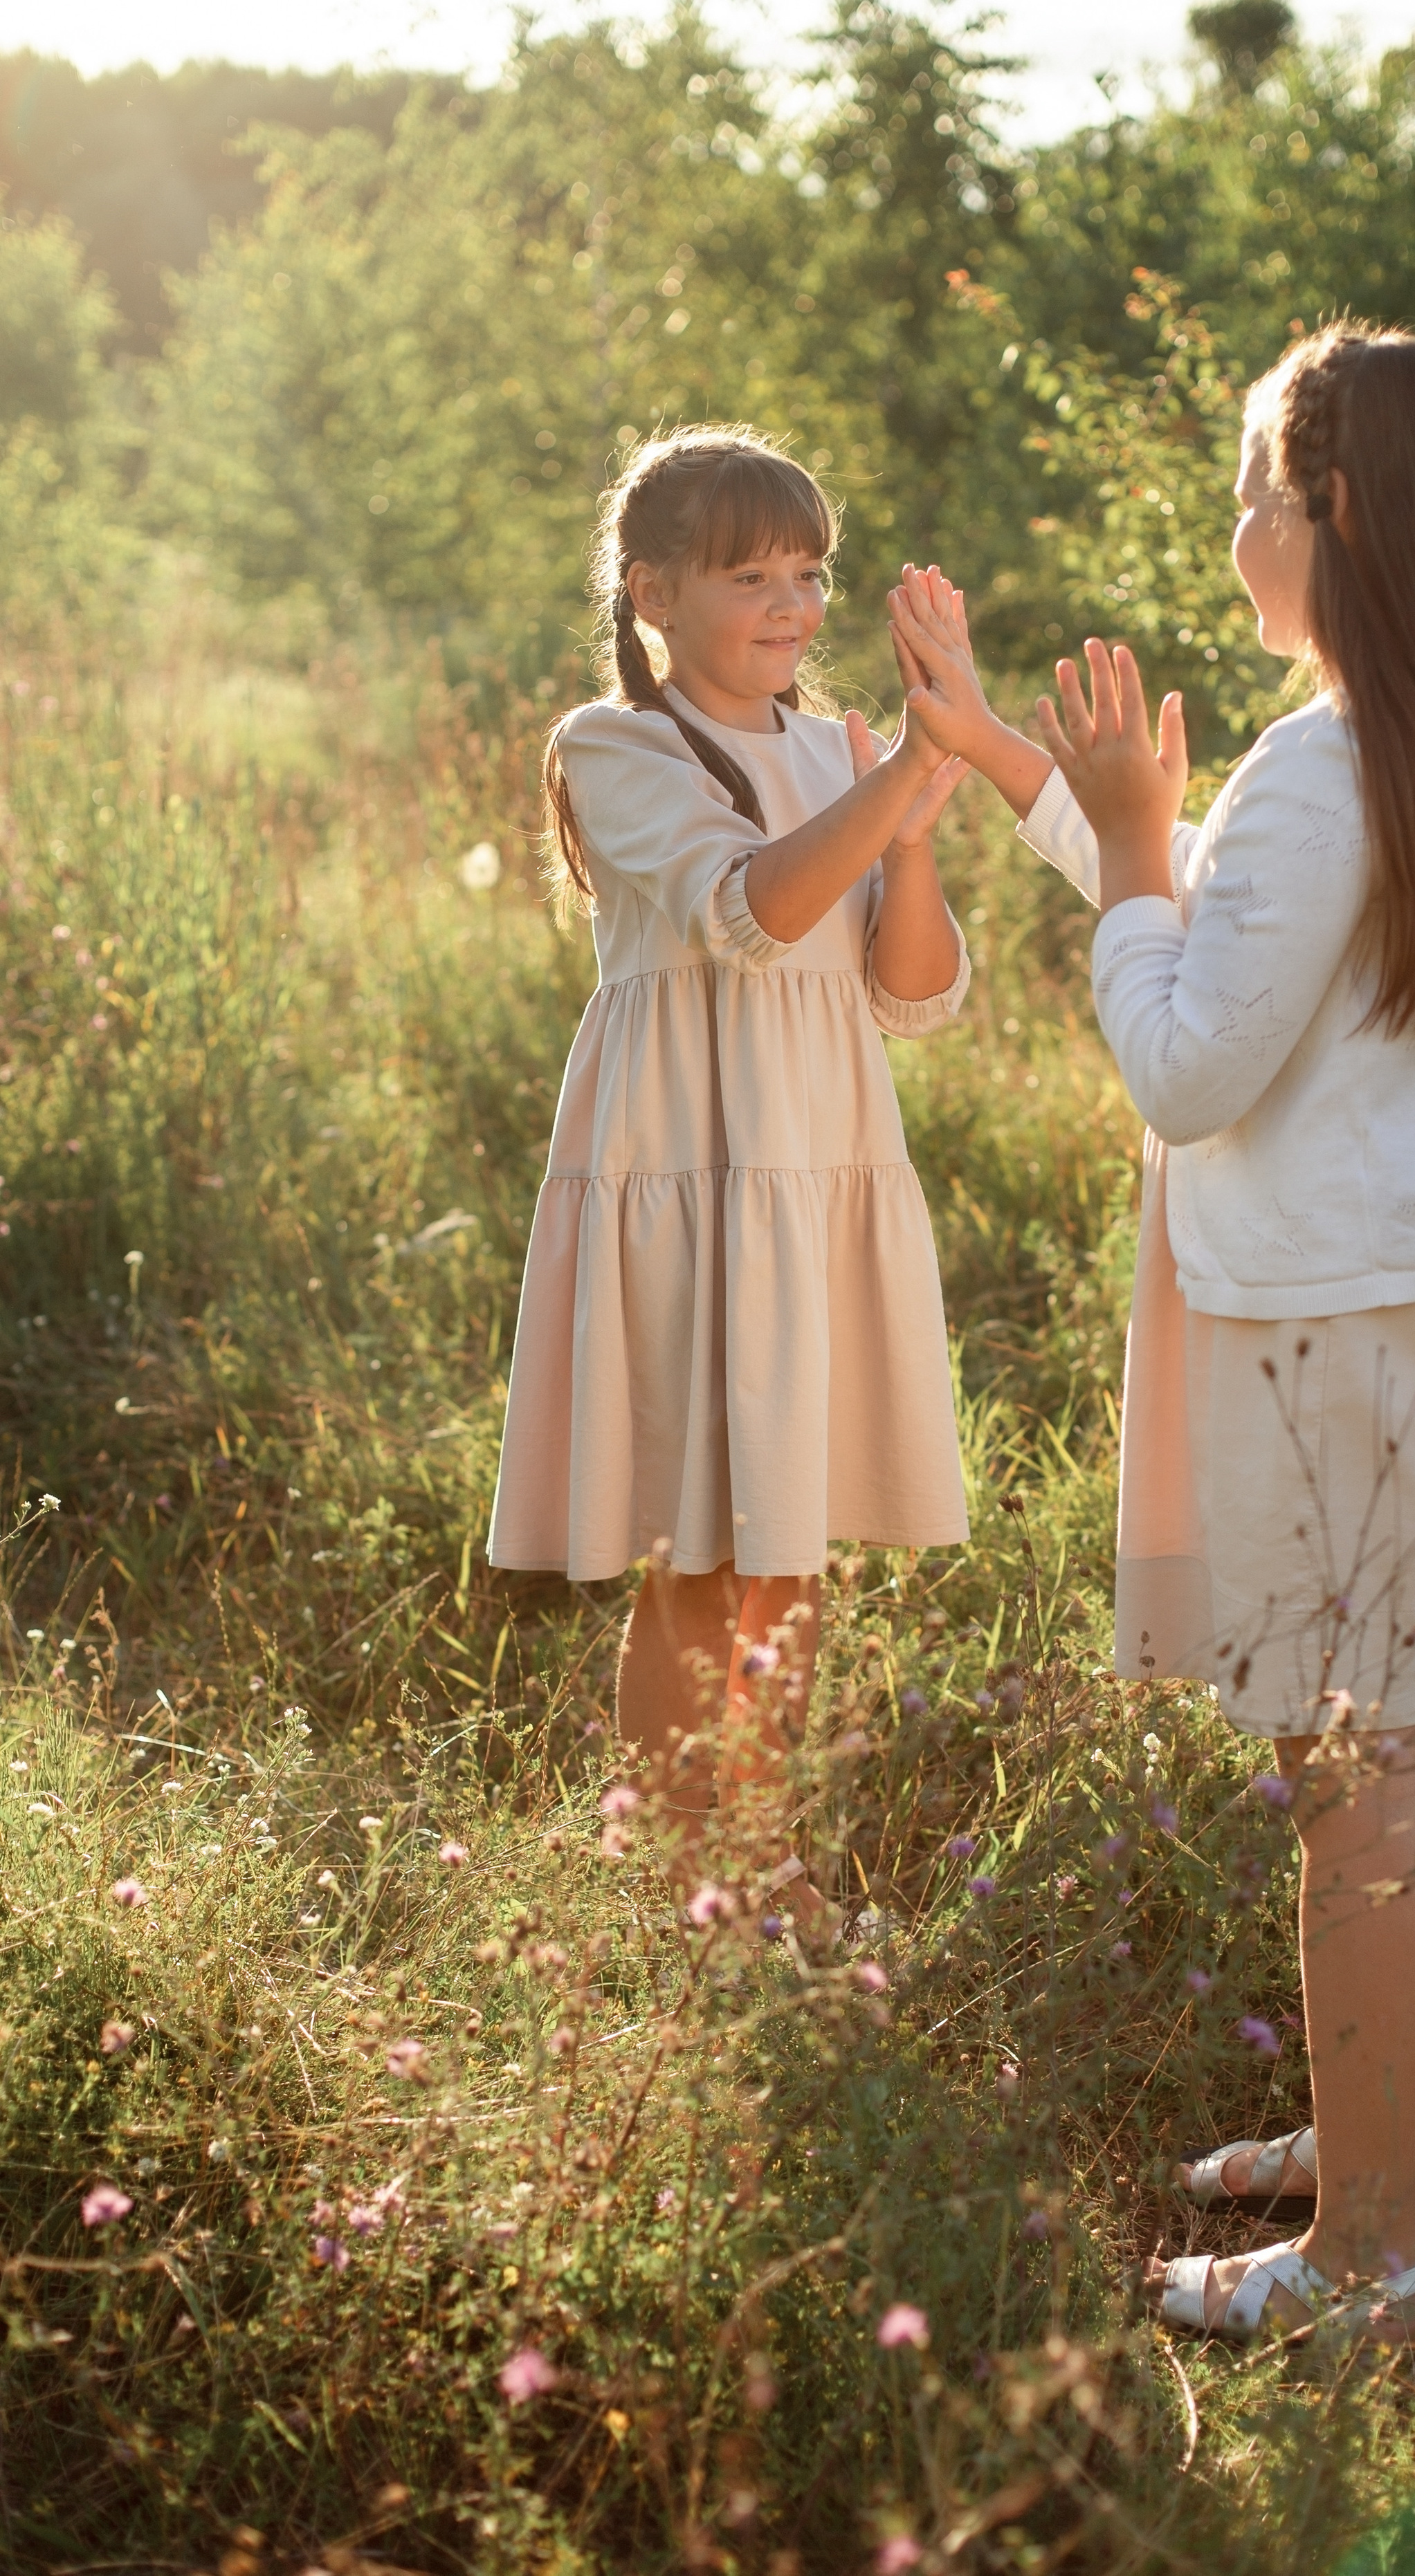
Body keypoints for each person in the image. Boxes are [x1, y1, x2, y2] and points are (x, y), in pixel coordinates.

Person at [888, 322, 1415, 2339]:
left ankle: (1360, 2256)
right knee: (1408, 1743)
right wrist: (1045, 775)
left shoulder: (1320, 762)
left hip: (1335, 1325)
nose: (1239, 526)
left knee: (1354, 1769)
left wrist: (1118, 838)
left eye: (1259, 491)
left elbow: (1187, 1061)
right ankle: (1389, 2149)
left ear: (1337, 514)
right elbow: (1252, 938)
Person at [489, 427, 973, 1926]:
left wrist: (912, 814)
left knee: (794, 1537)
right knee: (696, 1551)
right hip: (688, 1161)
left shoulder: (834, 753)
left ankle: (765, 1875)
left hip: (818, 1157)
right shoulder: (614, 743)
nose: (789, 604)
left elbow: (911, 992)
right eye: (748, 573)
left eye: (810, 572)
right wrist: (903, 770)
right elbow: (748, 914)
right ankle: (677, 1892)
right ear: (648, 591)